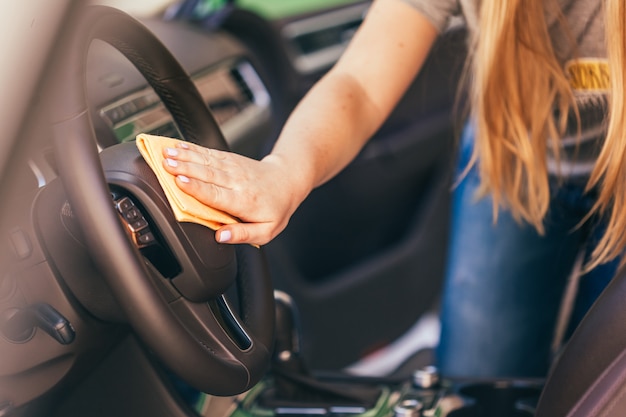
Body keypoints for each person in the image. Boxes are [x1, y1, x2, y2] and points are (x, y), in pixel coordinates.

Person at [161, 0, 625, 379]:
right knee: (476, 376)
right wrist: (283, 171)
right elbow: (359, 83)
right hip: (511, 153)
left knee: (601, 380)